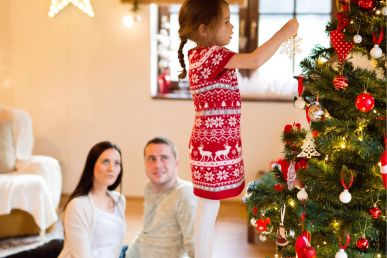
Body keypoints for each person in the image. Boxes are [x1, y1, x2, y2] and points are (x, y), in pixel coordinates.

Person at [177, 1, 299, 257]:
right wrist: (284, 32)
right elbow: (255, 59)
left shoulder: (202, 56)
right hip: (214, 145)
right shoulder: (211, 56)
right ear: (203, 29)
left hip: (214, 143)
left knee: (208, 210)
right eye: (226, 22)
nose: (232, 27)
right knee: (208, 210)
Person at [126, 137, 197, 258]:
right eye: (151, 159)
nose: (157, 165)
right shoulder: (149, 187)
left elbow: (194, 245)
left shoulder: (185, 193)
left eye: (164, 158)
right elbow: (148, 230)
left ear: (176, 162)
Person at [58, 141, 127, 258]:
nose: (112, 168)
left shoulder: (119, 201)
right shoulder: (78, 205)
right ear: (92, 165)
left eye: (117, 163)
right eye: (105, 162)